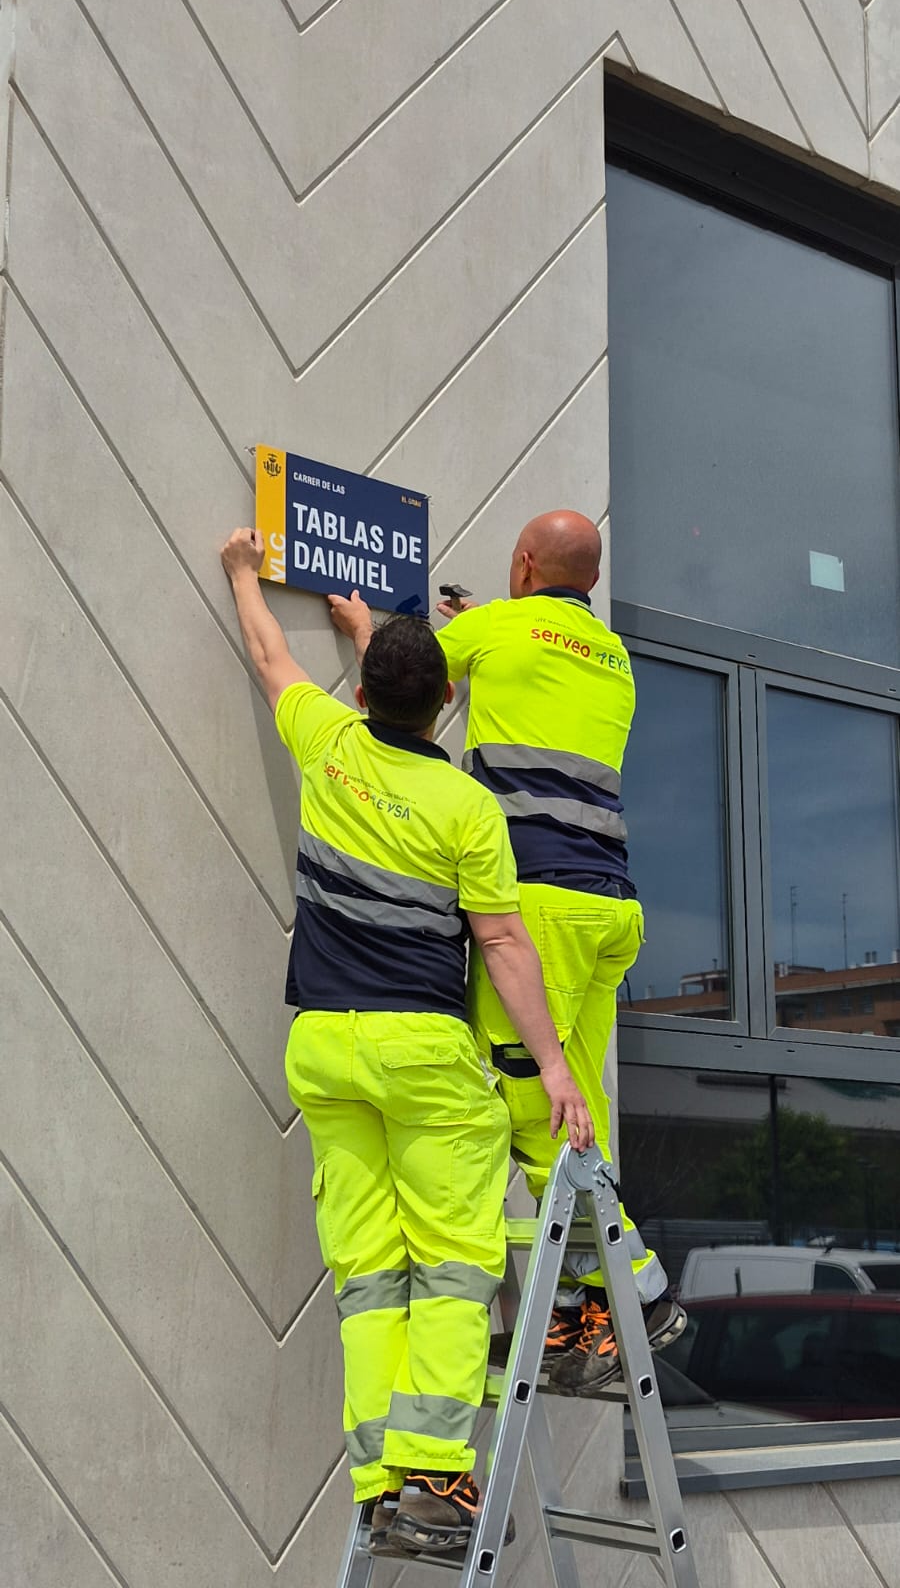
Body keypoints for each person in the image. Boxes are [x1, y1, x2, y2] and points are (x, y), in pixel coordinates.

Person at [220, 528, 593, 1558]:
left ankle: (384, 1480)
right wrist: (555, 1066)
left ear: (366, 691)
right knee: (456, 1265)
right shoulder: (467, 806)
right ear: (444, 707)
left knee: (370, 1275)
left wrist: (245, 574)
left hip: (325, 1053)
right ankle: (435, 1475)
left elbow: (269, 658)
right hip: (422, 1056)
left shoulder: (328, 744)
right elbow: (505, 940)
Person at [329, 511, 684, 1400]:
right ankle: (580, 1310)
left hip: (543, 908)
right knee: (582, 1109)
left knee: (534, 1103)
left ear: (525, 564)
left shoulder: (491, 629)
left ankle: (636, 1292)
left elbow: (410, 690)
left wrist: (365, 630)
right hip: (610, 910)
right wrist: (490, 625)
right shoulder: (612, 655)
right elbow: (538, 666)